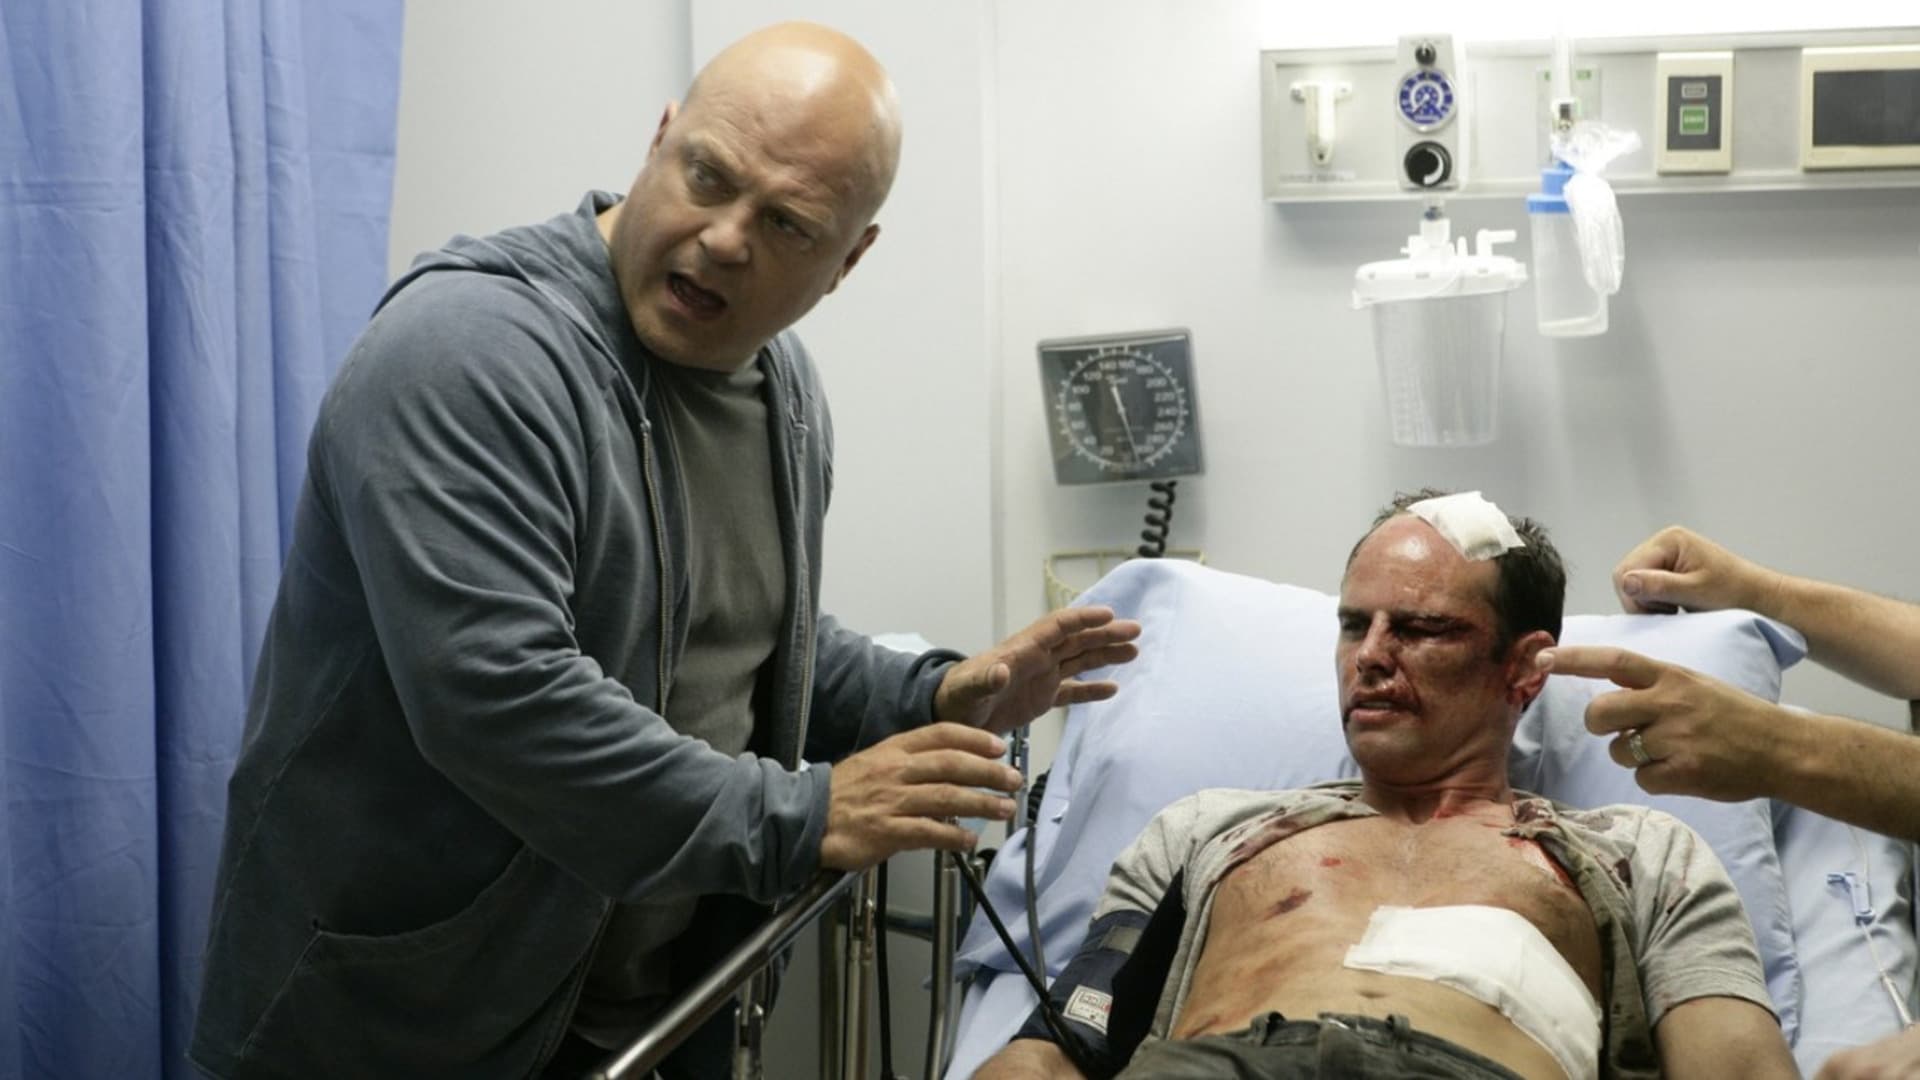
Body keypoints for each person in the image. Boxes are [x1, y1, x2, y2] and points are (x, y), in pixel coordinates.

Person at [187, 22, 1139, 1080]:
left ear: (849, 260)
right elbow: (501, 702)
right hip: (407, 1022)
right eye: (709, 177)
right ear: (659, 139)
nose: (725, 239)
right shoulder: (466, 355)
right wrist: (805, 816)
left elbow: (748, 642)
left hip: (649, 1015)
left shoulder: (782, 393)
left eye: (787, 223)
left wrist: (934, 695)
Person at [978, 491, 1796, 1080]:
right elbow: (1061, 1045)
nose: (1370, 656)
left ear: (1523, 669)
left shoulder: (1643, 856)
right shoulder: (1204, 831)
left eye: (1420, 628)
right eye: (1353, 625)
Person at [1540, 525, 1920, 1080]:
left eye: (1433, 629)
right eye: (1364, 624)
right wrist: (1761, 593)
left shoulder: (1657, 861)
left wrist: (1779, 747)